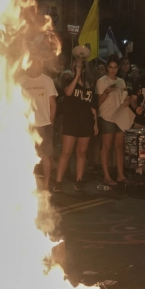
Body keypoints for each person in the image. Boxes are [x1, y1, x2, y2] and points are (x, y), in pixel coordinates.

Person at [53, 48, 98, 192]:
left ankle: (79, 181)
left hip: (86, 121)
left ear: (85, 68)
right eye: (76, 65)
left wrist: (95, 123)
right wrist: (76, 76)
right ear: (73, 67)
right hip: (71, 121)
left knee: (82, 152)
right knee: (66, 151)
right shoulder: (68, 79)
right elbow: (68, 92)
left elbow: (92, 106)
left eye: (81, 66)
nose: (79, 67)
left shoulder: (90, 84)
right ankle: (58, 182)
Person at [20, 56, 58, 192]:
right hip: (27, 126)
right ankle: (27, 183)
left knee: (46, 155)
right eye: (38, 62)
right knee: (26, 155)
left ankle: (46, 185)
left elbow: (53, 104)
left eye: (42, 62)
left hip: (45, 124)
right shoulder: (22, 81)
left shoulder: (47, 81)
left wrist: (51, 122)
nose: (40, 64)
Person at [96, 57, 132, 186]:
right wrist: (105, 93)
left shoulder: (121, 81)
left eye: (115, 67)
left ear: (118, 68)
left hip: (119, 116)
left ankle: (120, 175)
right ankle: (106, 176)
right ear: (107, 67)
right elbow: (97, 102)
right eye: (110, 67)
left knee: (120, 146)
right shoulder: (101, 81)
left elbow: (124, 98)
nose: (112, 70)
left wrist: (127, 99)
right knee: (106, 146)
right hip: (106, 116)